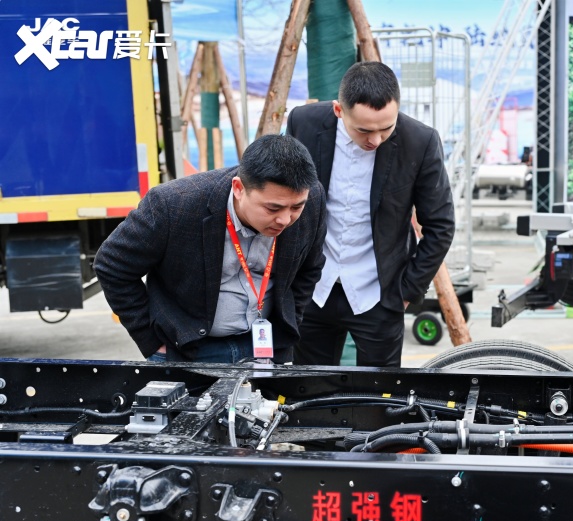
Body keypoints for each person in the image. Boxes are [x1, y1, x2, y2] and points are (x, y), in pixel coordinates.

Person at [94, 135, 327, 364]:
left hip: (267, 346)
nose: (285, 219)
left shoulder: (313, 198)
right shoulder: (174, 205)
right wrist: (151, 340)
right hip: (188, 349)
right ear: (238, 188)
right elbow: (111, 264)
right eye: (273, 208)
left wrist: (289, 321)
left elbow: (311, 267)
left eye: (296, 207)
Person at [286, 61, 455, 367]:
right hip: (313, 287)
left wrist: (407, 291)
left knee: (380, 391)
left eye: (386, 128)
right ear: (339, 110)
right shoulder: (303, 122)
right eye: (363, 130)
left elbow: (440, 226)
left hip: (380, 293)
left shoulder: (420, 141)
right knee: (309, 386)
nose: (375, 140)